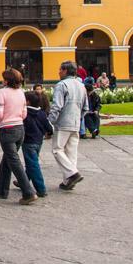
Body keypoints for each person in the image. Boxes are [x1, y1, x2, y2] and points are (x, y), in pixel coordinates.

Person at [0, 68, 38, 204]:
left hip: (7, 130)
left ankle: (28, 192)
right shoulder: (21, 92)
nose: (2, 80)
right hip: (20, 129)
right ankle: (1, 190)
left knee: (13, 161)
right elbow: (24, 113)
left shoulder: (2, 92)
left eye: (3, 78)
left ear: (7, 80)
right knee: (8, 159)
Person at [49, 60, 87, 191]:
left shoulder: (61, 85)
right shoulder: (81, 85)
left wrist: (49, 122)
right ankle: (68, 181)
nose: (59, 72)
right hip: (76, 123)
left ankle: (72, 174)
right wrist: (79, 119)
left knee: (57, 149)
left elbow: (56, 106)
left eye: (60, 69)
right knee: (71, 152)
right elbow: (85, 107)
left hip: (63, 123)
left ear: (65, 70)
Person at [22, 90, 52, 198]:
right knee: (32, 162)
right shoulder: (42, 113)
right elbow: (49, 126)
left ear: (28, 102)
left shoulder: (25, 114)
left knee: (33, 164)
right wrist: (49, 132)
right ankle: (23, 180)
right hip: (39, 141)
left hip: (28, 141)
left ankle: (41, 188)